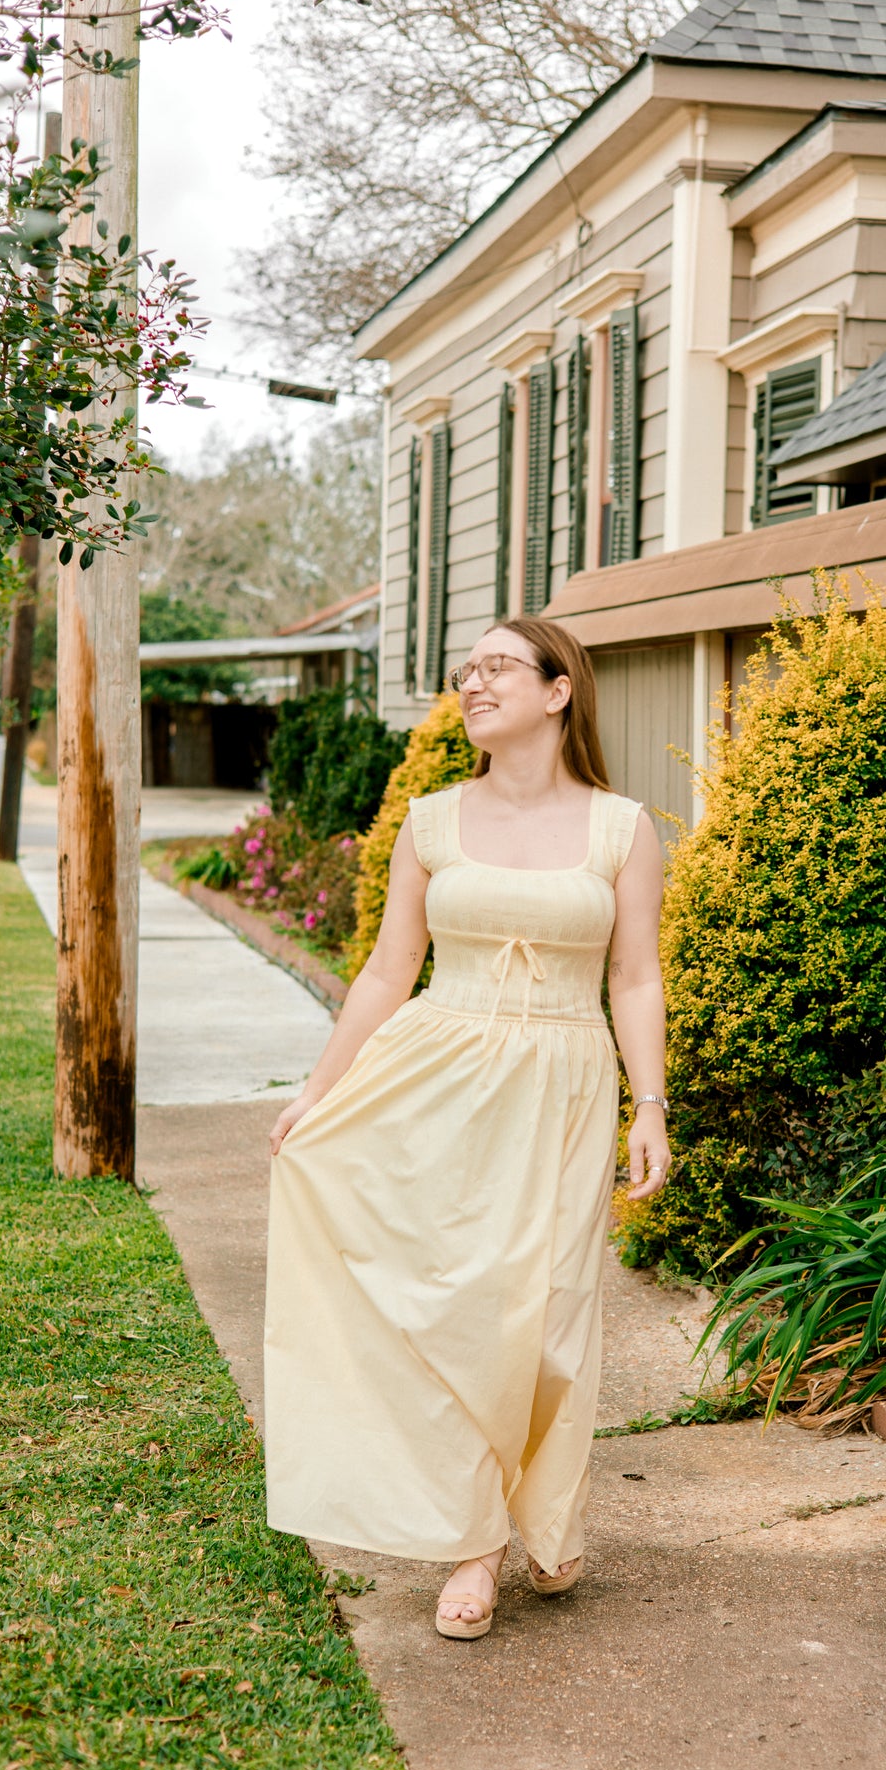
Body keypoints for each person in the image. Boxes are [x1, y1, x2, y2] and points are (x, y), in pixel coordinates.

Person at [262, 615, 671, 1640]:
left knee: (552, 1314)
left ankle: (547, 1506)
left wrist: (650, 1102)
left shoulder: (621, 827)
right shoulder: (430, 819)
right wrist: (319, 1092)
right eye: (466, 669)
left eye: (495, 667)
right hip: (438, 1074)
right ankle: (472, 1543)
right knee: (464, 1309)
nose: (471, 682)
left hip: (565, 1082)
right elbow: (386, 971)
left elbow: (634, 976)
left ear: (556, 689)